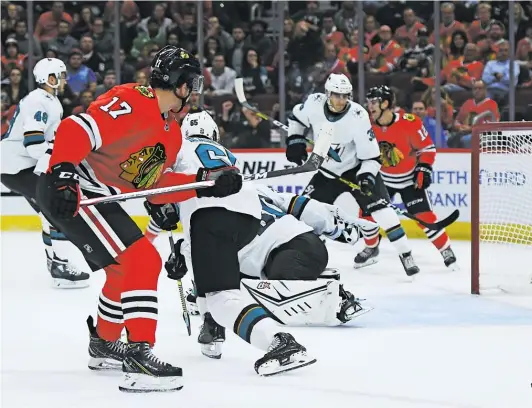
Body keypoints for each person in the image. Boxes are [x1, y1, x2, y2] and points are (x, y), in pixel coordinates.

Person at [34, 45, 242, 393]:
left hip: (95, 190)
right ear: (179, 84)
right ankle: (139, 354)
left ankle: (104, 343)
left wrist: (205, 184)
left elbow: (154, 186)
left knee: (123, 269)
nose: (194, 91)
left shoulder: (171, 133)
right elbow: (76, 127)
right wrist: (65, 173)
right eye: (191, 83)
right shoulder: (134, 100)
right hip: (70, 184)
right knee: (143, 257)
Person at [144, 111, 326, 374]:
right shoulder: (226, 153)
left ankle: (278, 341)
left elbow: (161, 188)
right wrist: (183, 252)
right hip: (248, 220)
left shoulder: (179, 145)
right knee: (211, 269)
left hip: (209, 220)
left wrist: (157, 206)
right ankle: (212, 325)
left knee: (222, 298)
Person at [285, 73, 420, 276]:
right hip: (326, 171)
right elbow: (296, 119)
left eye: (345, 95)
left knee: (384, 212)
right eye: (337, 95)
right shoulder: (313, 103)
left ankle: (406, 254)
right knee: (305, 212)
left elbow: (372, 157)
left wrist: (366, 176)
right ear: (327, 93)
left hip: (356, 168)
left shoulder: (358, 116)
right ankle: (300, 256)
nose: (341, 100)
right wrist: (295, 139)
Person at [0, 57, 90, 288]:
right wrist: (61, 154)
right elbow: (34, 145)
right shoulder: (39, 102)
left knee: (47, 211)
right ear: (50, 78)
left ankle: (56, 263)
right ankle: (59, 266)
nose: (64, 79)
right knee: (55, 207)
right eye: (61, 75)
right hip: (16, 167)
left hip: (18, 165)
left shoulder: (49, 100)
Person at [364, 86, 458, 270]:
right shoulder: (366, 125)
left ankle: (445, 249)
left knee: (425, 217)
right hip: (382, 179)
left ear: (386, 103)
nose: (370, 106)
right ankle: (371, 247)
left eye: (374, 102)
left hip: (409, 179)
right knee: (366, 214)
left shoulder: (409, 122)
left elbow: (427, 148)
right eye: (369, 102)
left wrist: (423, 168)